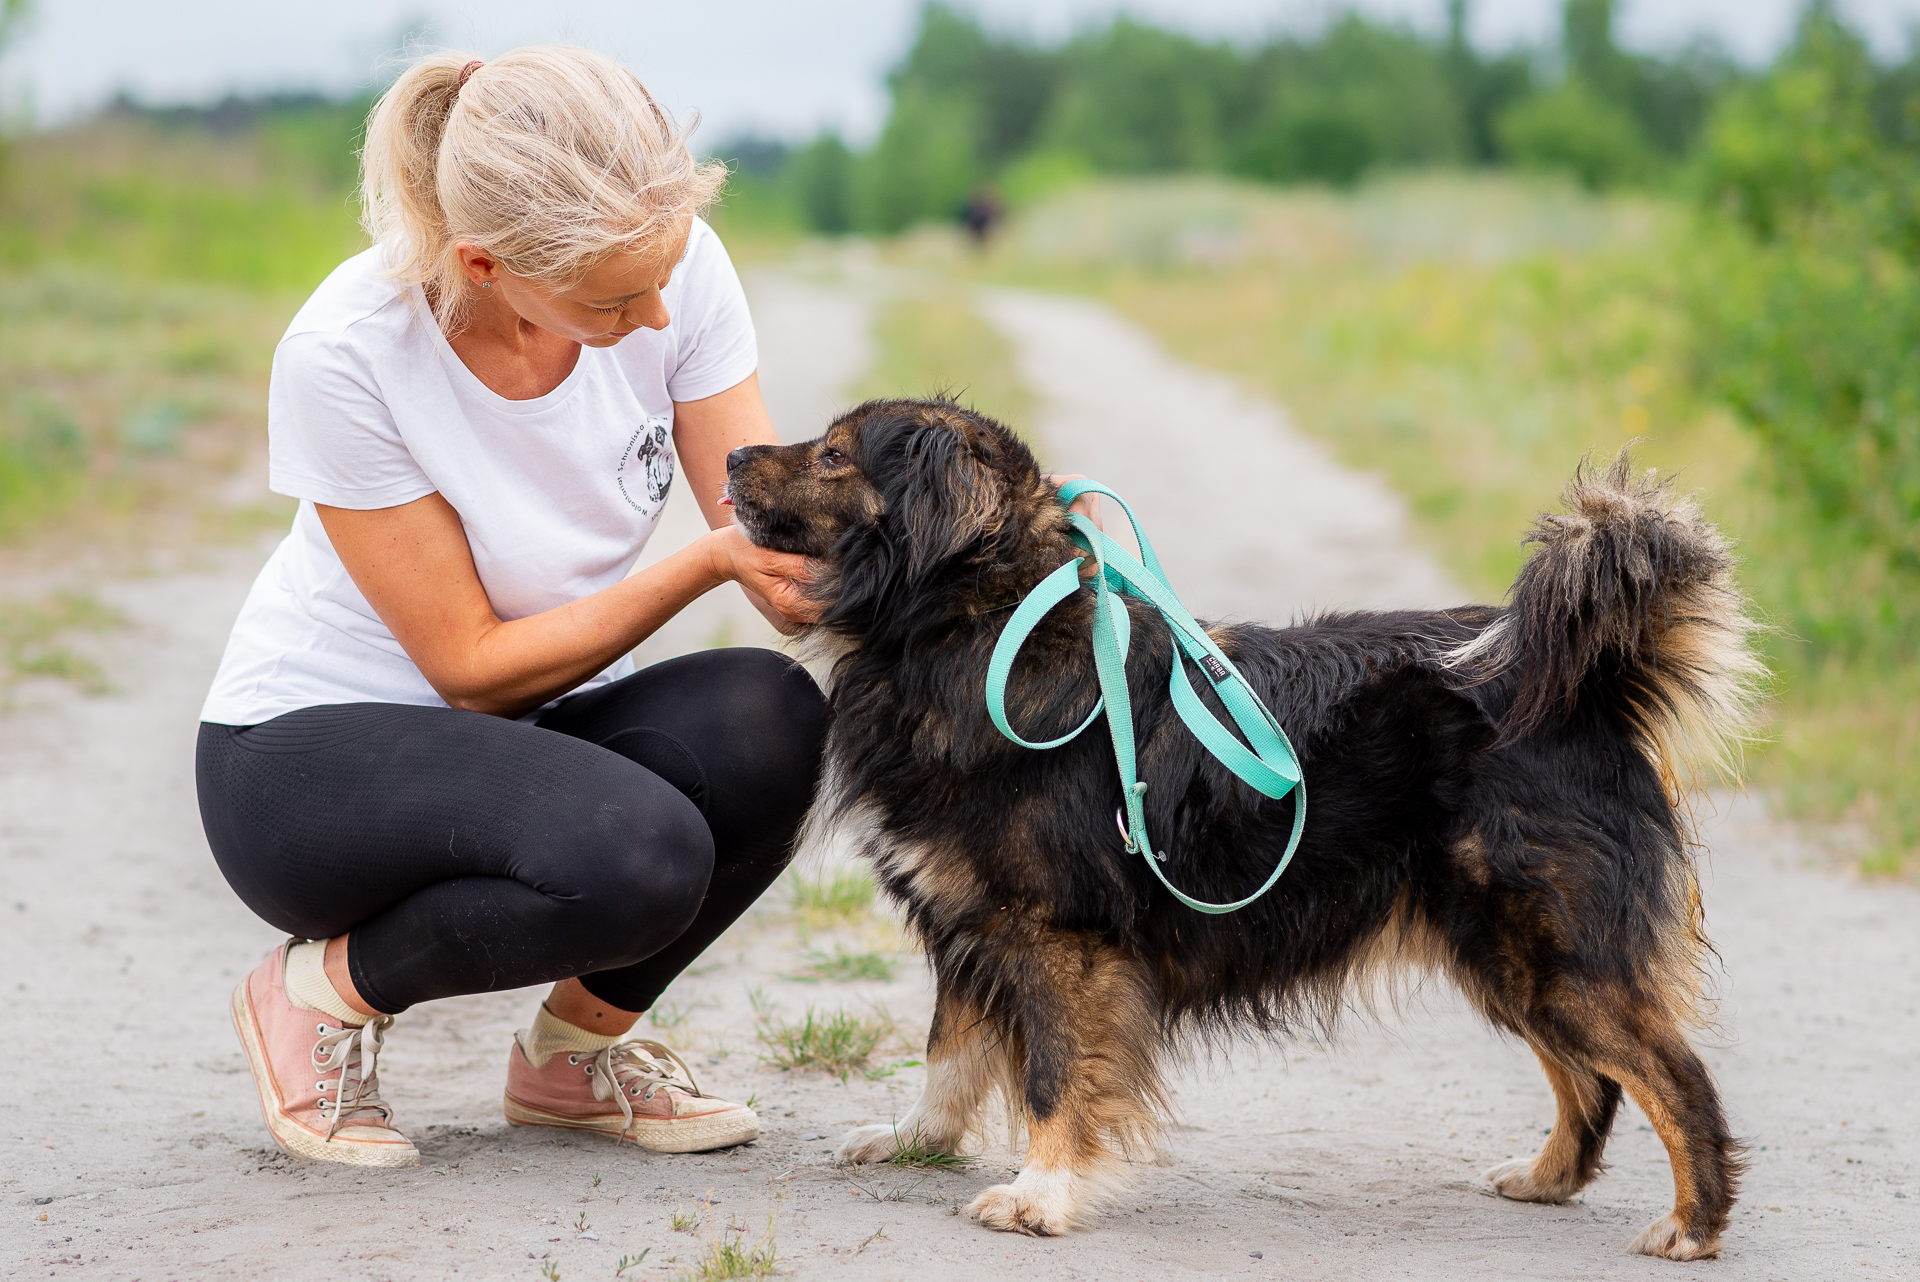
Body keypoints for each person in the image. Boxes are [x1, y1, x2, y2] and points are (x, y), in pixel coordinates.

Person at [194, 47, 827, 1169]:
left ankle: (571, 1059)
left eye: (666, 276)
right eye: (613, 300)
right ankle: (313, 992)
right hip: (306, 764)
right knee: (639, 855)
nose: (656, 313)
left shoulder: (668, 271)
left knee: (776, 718)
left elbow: (771, 535)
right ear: (484, 264)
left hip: (529, 733)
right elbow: (475, 670)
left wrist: (916, 571)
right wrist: (704, 566)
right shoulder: (348, 350)